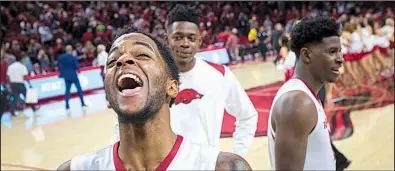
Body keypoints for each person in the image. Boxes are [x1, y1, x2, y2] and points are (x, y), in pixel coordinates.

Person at [57, 27, 252, 171]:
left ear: (172, 86)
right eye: (113, 61)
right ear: (108, 95)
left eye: (142, 54)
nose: (123, 60)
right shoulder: (74, 169)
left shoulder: (223, 167)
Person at [114, 4, 258, 158]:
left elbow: (247, 116)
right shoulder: (148, 79)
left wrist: (237, 155)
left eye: (191, 38)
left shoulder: (219, 75)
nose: (185, 43)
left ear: (199, 41)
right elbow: (122, 128)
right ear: (166, 40)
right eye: (178, 37)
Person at [267, 15, 344, 170]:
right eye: (332, 52)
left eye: (339, 51)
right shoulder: (298, 103)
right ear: (307, 55)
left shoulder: (305, 96)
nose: (340, 59)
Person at [57, 45, 86, 112]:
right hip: (73, 75)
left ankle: (67, 106)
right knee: (79, 89)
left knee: (67, 90)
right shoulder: (72, 57)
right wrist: (78, 70)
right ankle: (82, 103)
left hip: (66, 76)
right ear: (71, 50)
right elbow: (76, 66)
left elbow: (58, 65)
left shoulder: (61, 57)